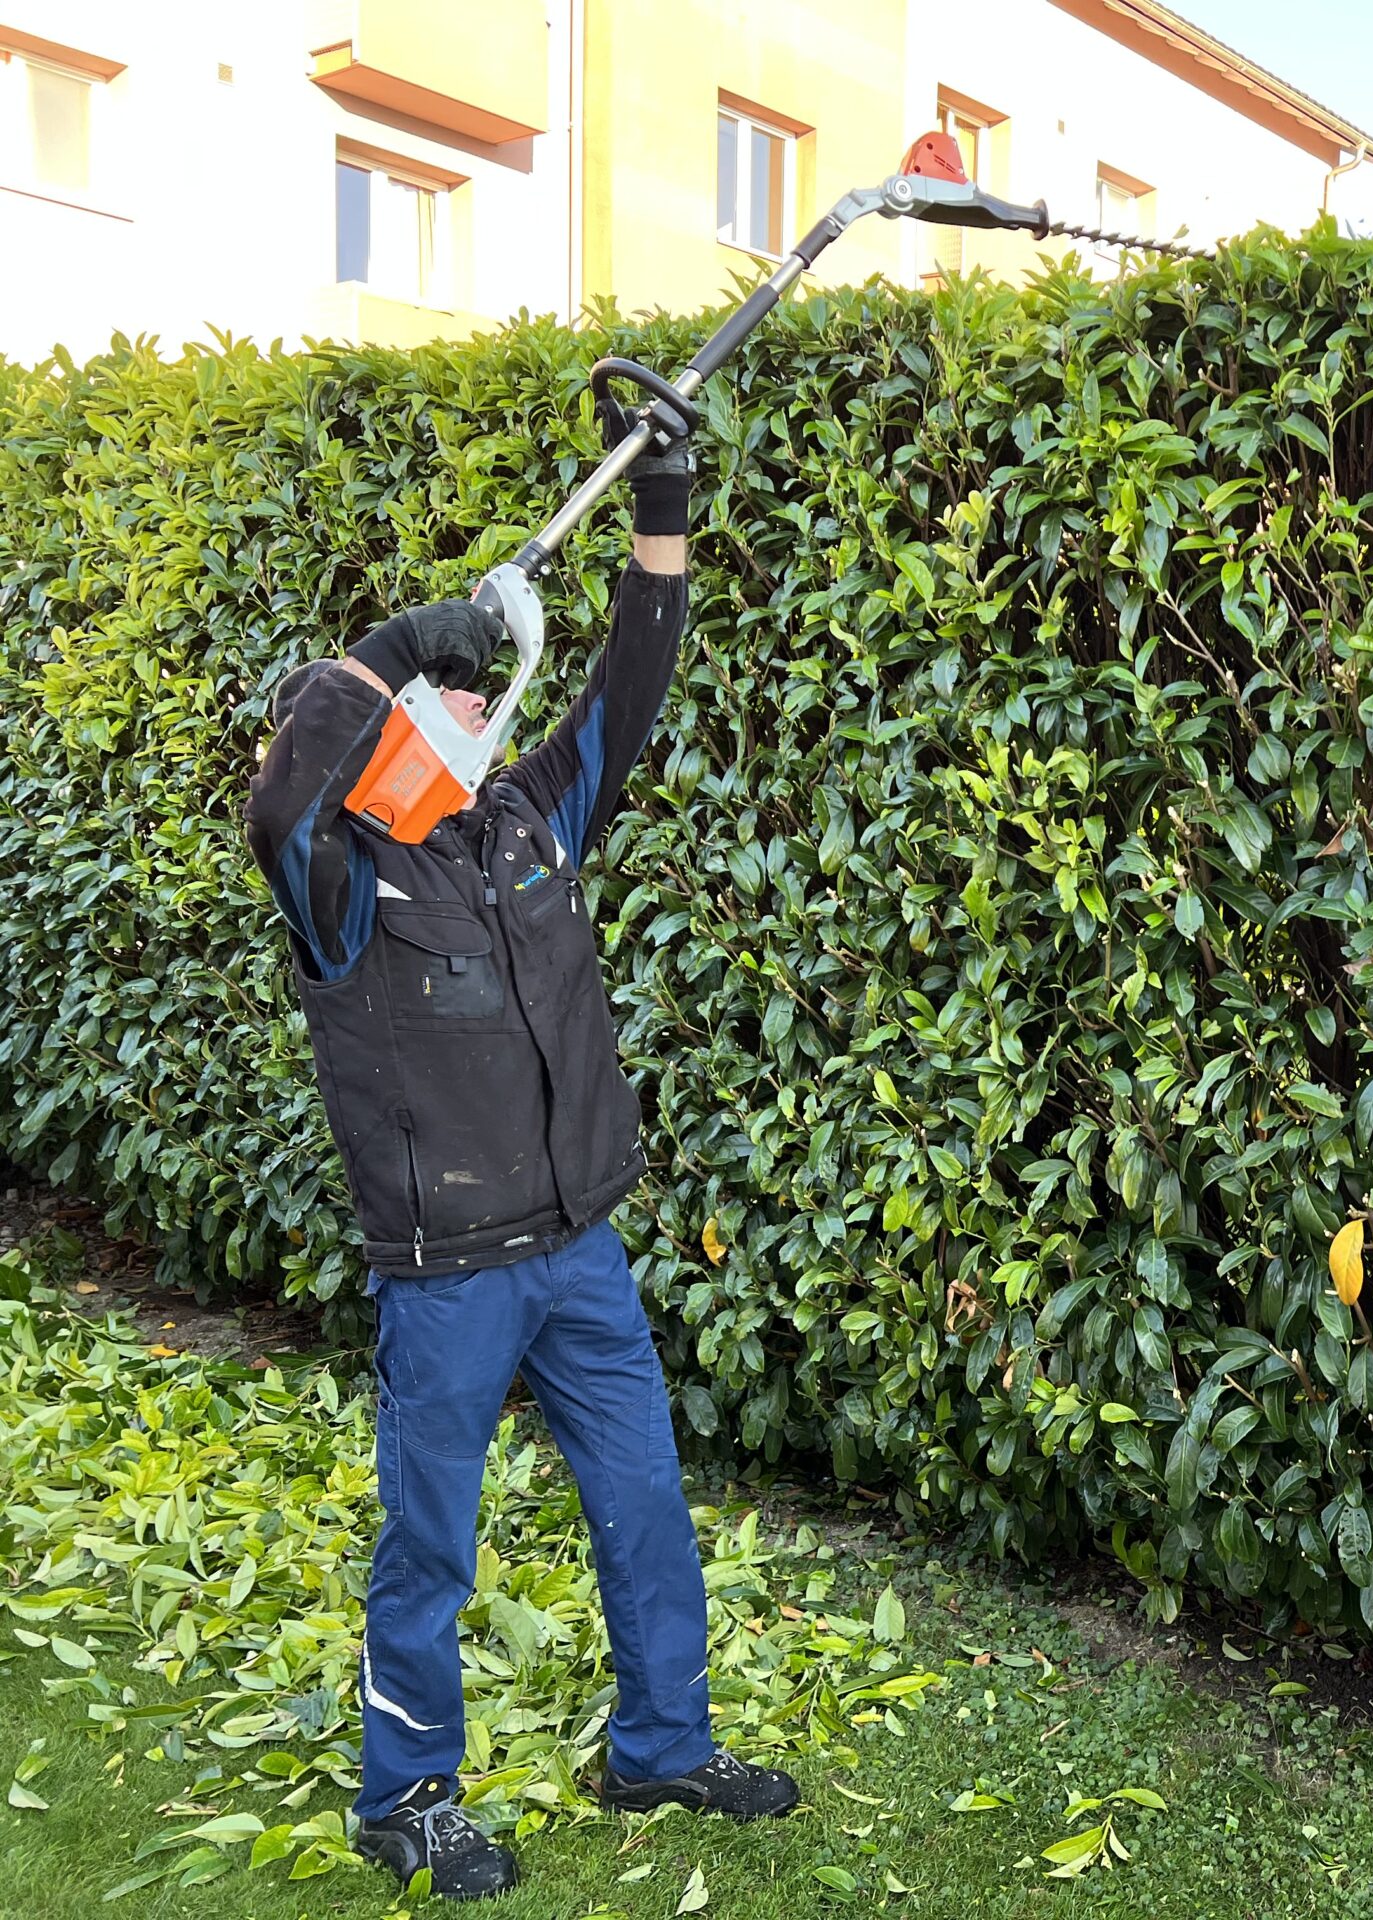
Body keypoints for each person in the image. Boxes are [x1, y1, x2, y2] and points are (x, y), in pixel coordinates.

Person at [243, 427, 797, 1900]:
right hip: (450, 1279)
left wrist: (663, 510)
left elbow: (632, 692)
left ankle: (660, 1746)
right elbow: (279, 797)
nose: (468, 716)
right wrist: (387, 645)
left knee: (645, 1502)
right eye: (439, 700)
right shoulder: (340, 888)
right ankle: (405, 1796)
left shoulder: (523, 825)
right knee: (432, 1541)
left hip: (579, 1251)